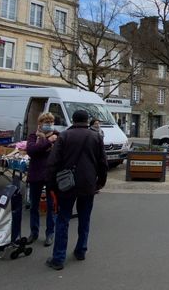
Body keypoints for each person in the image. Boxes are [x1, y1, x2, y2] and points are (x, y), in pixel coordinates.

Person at [46, 110, 108, 270]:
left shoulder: (64, 136)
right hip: (88, 184)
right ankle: (81, 250)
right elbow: (103, 163)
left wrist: (52, 184)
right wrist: (100, 182)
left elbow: (52, 162)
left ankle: (58, 258)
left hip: (67, 184)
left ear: (72, 120)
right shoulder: (96, 137)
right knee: (84, 218)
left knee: (63, 220)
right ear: (87, 120)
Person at [26, 112, 59, 247]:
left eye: (50, 122)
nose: (48, 124)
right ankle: (34, 232)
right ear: (40, 124)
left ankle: (50, 233)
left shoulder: (57, 136)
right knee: (34, 205)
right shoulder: (34, 136)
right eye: (46, 122)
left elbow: (59, 153)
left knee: (52, 206)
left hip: (51, 175)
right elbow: (31, 150)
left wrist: (50, 141)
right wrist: (47, 142)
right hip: (36, 174)